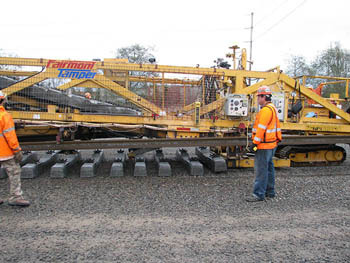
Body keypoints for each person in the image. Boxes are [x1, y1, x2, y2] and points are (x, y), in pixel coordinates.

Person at [246, 86, 282, 202]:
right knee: (269, 169)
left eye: (259, 97)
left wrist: (254, 143)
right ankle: (270, 192)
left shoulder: (265, 110)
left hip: (264, 145)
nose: (257, 99)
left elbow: (261, 129)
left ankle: (258, 194)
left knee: (261, 170)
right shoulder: (273, 108)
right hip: (272, 144)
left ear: (264, 97)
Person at [0, 90, 30, 207]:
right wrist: (17, 151)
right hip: (5, 153)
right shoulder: (4, 116)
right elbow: (10, 136)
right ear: (3, 101)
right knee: (14, 172)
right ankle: (15, 197)